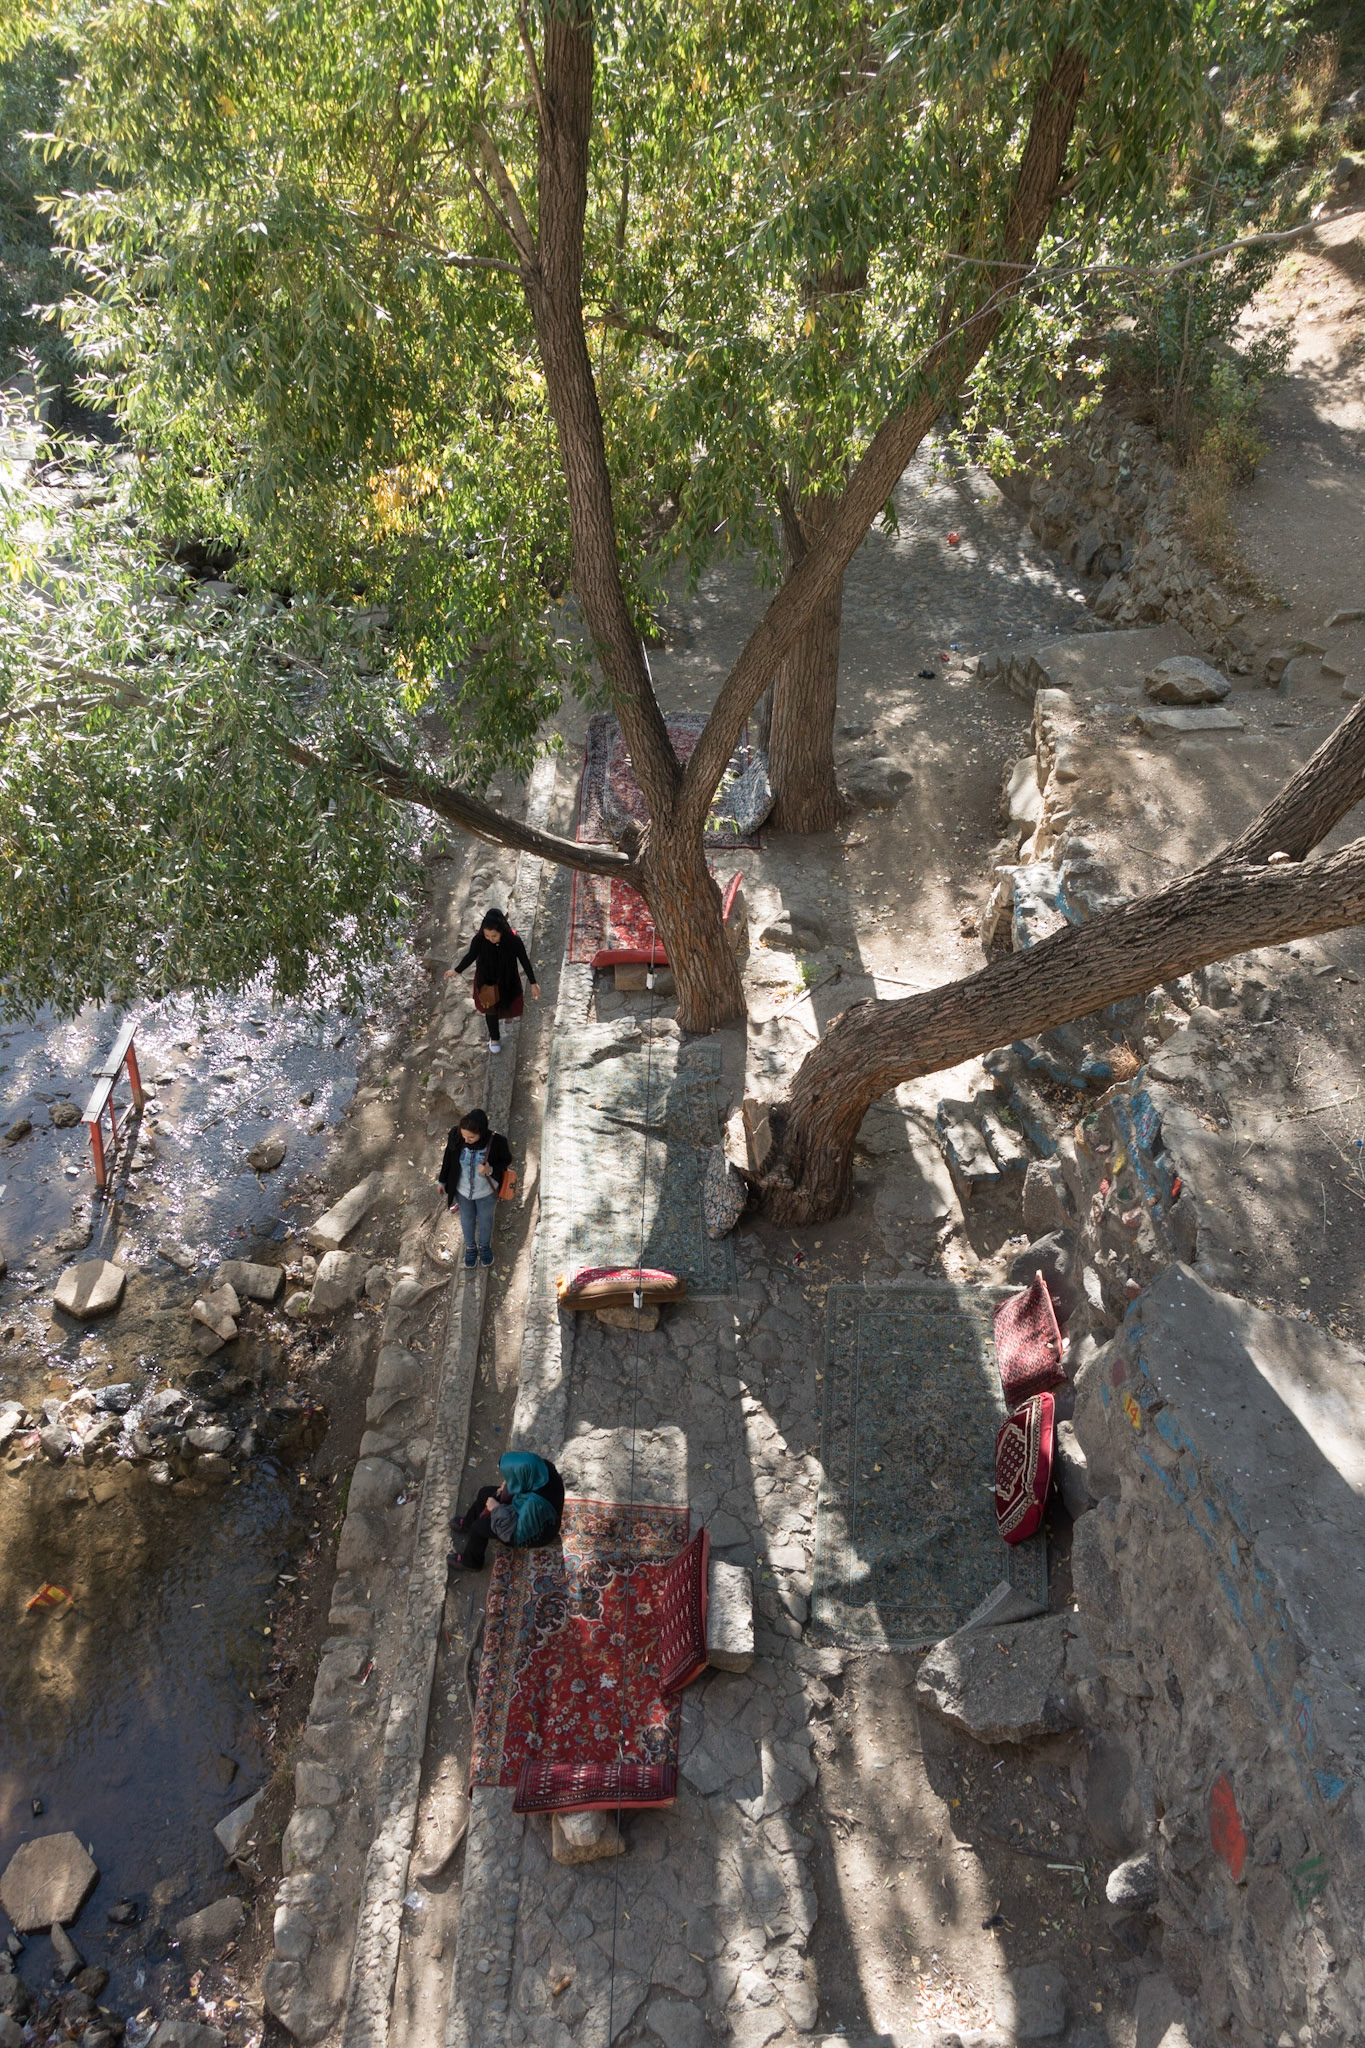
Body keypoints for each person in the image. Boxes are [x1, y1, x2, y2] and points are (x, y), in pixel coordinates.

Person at [449, 1449, 565, 1570]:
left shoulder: (535, 1504)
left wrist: (496, 1509)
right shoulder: (541, 1468)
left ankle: (472, 1562)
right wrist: (509, 1485)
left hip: (537, 1533)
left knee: (479, 1527)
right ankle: (468, 1524)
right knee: (485, 1493)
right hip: (526, 1507)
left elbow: (519, 1533)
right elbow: (523, 1484)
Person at [453, 907, 539, 1053]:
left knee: (509, 1003)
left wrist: (533, 982)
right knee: (490, 1010)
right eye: (487, 935)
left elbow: (524, 961)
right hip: (487, 982)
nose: (490, 939)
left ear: (502, 931)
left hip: (508, 980)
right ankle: (495, 1038)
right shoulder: (479, 940)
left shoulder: (513, 941)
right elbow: (470, 956)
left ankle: (508, 1018)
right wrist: (456, 970)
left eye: (494, 936)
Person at [438, 1108, 512, 1270]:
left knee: (486, 1220)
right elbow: (448, 1158)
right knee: (467, 1218)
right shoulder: (456, 1136)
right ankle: (470, 1247)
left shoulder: (497, 1142)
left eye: (471, 1137)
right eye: (464, 1136)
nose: (466, 1140)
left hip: (486, 1192)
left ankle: (484, 1247)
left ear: (482, 1132)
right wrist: (442, 1180)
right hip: (463, 1191)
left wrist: (490, 1169)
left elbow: (506, 1160)